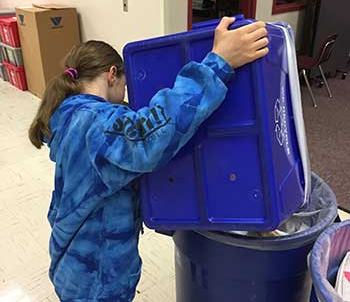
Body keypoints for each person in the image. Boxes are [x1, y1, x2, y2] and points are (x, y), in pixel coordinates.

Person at [28, 17, 269, 301]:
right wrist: (218, 63)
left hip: (74, 259)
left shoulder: (68, 114)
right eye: (125, 85)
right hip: (96, 276)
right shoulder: (96, 122)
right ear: (112, 75)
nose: (125, 96)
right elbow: (150, 136)